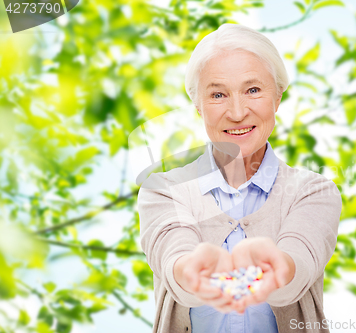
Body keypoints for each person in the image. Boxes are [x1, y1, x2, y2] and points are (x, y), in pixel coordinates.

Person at [138, 23, 342, 333]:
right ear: (197, 106)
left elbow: (300, 261)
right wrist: (191, 271)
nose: (236, 112)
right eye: (218, 94)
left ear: (278, 96)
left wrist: (276, 268)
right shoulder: (164, 191)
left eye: (253, 90)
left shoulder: (313, 192)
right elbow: (173, 256)